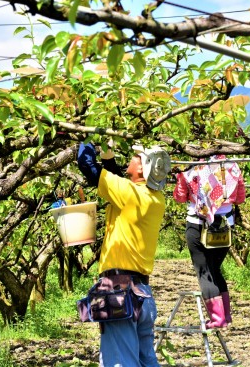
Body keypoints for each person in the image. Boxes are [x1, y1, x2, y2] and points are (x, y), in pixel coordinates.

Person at [77, 141, 171, 367]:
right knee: (146, 360)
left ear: (142, 168)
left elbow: (86, 163)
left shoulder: (129, 194)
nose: (130, 157)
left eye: (136, 156)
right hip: (142, 296)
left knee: (121, 363)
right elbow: (115, 182)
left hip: (120, 293)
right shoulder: (155, 199)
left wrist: (88, 135)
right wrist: (108, 157)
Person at [173, 155, 245, 329]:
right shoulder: (232, 167)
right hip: (225, 226)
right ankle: (225, 316)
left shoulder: (190, 168)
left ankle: (217, 318)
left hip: (198, 225)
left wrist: (180, 179)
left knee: (204, 271)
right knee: (214, 269)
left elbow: (180, 197)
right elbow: (240, 198)